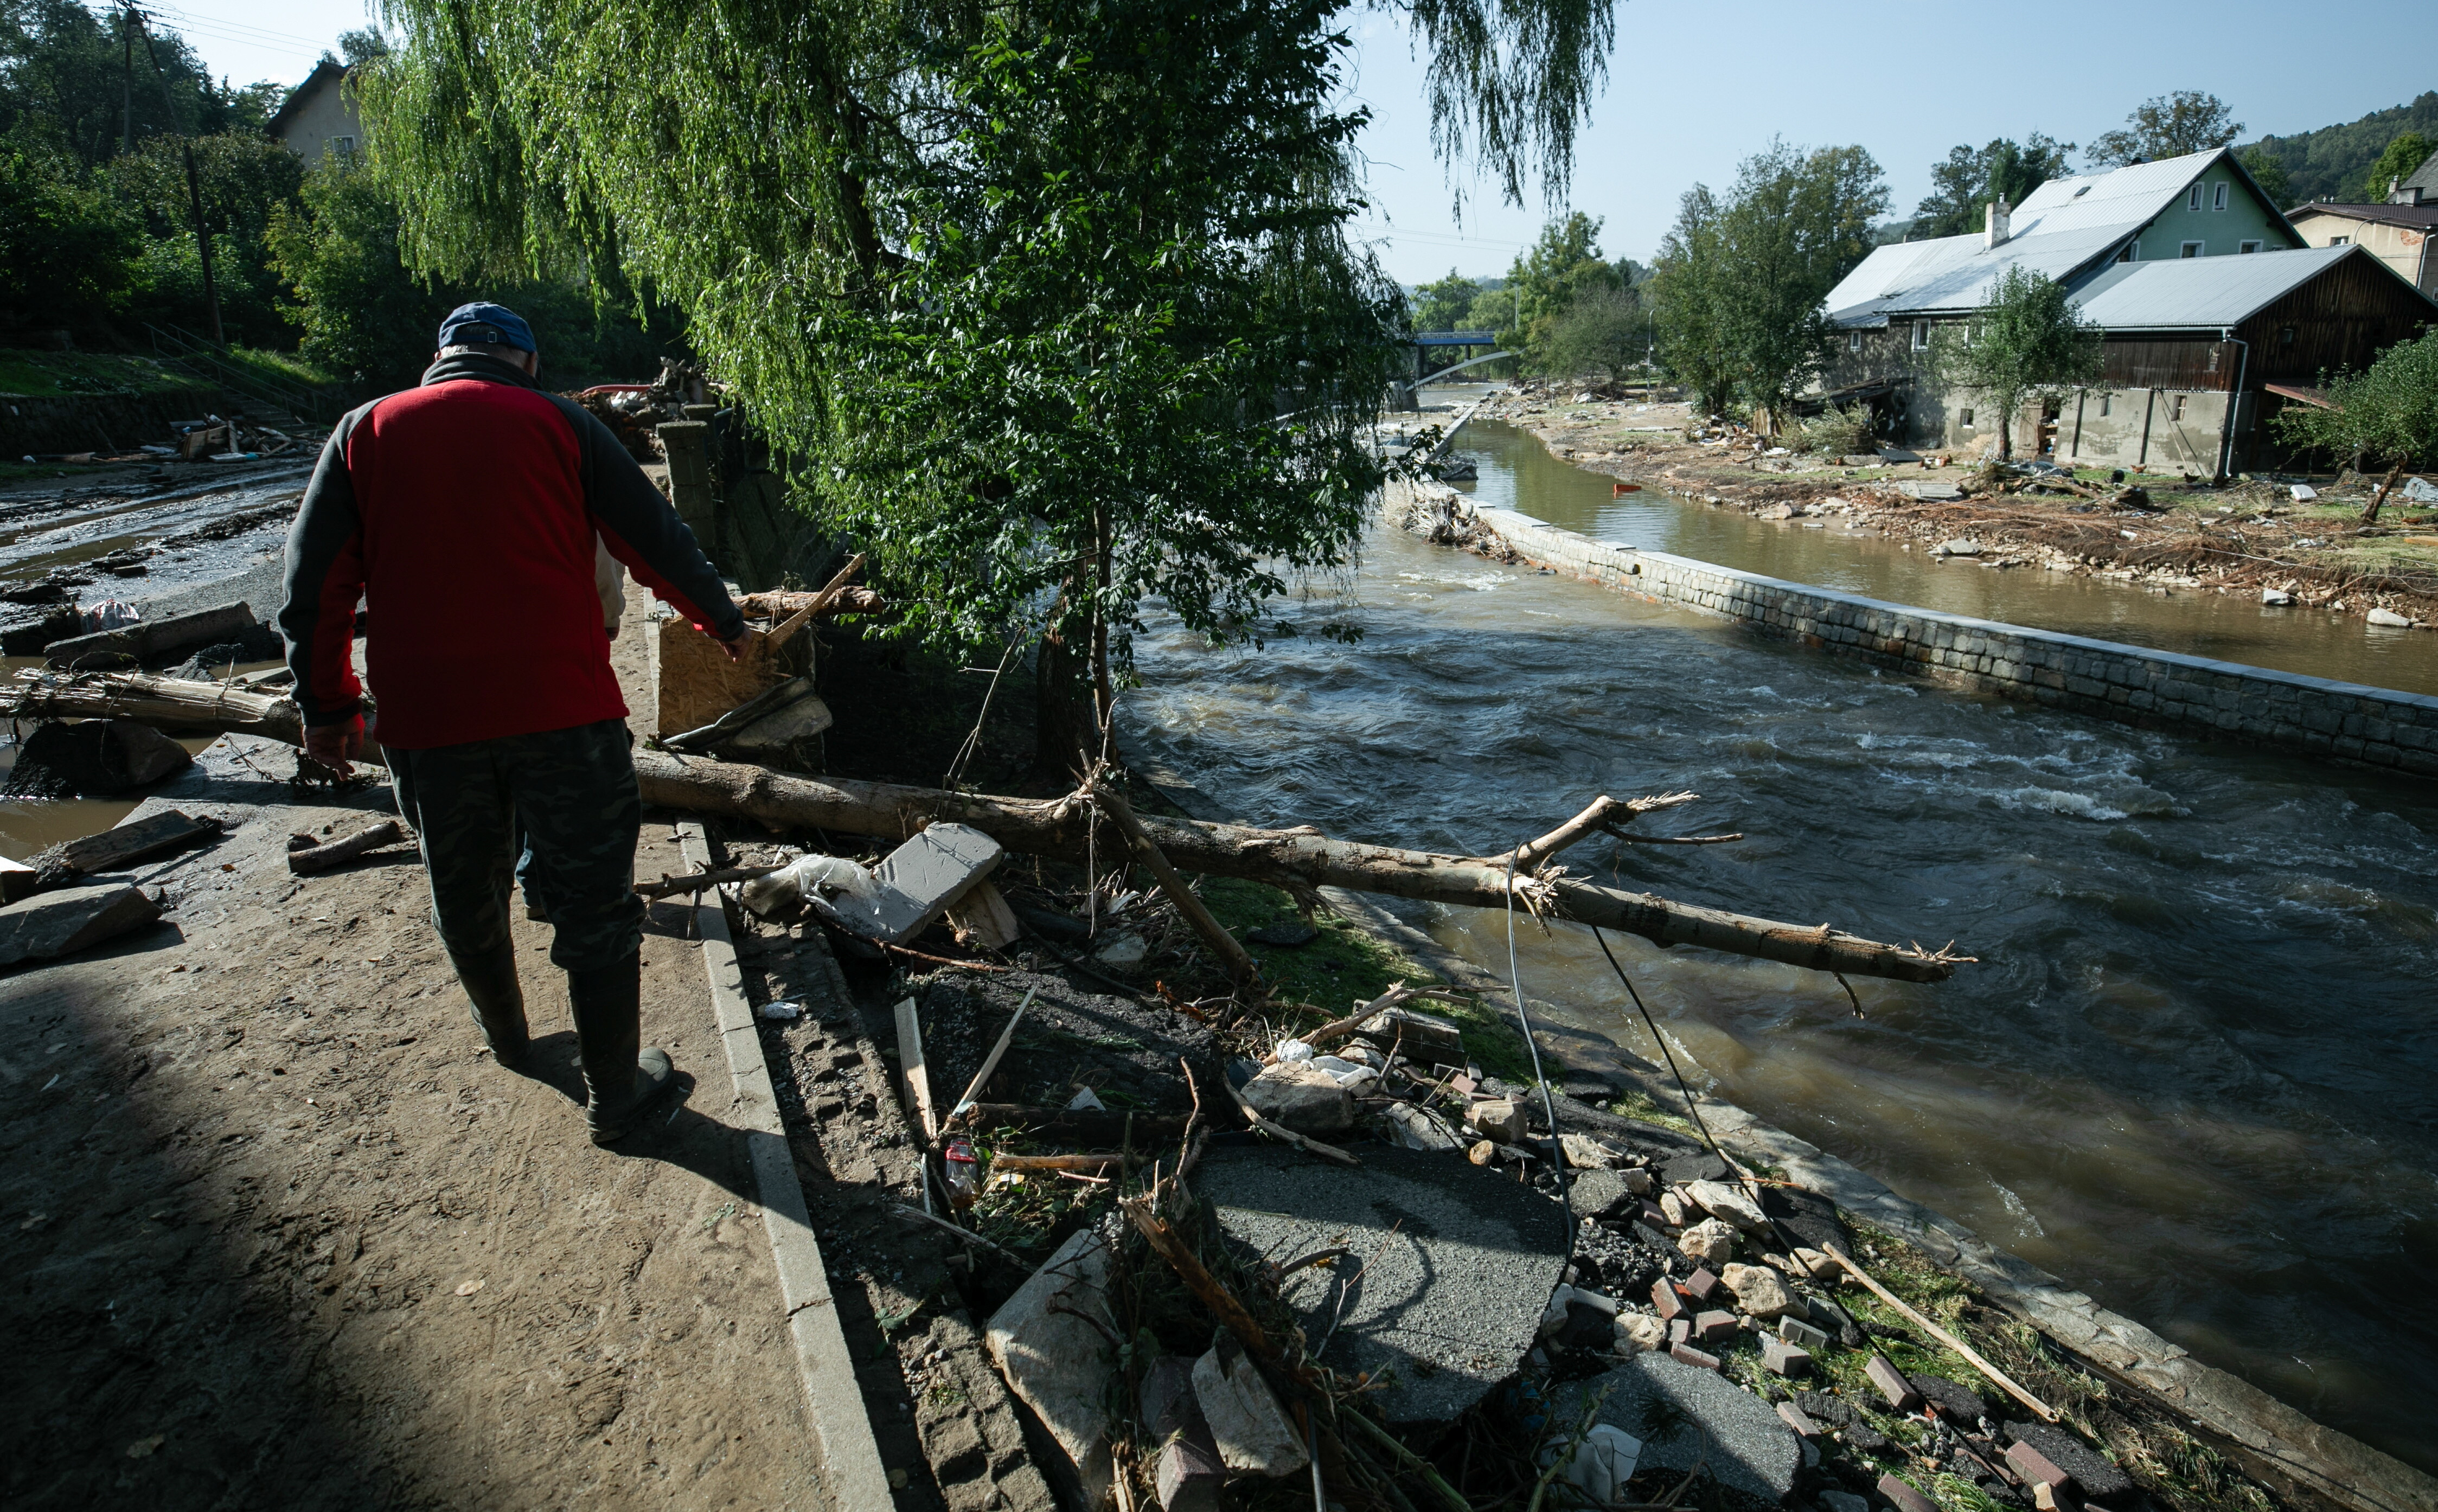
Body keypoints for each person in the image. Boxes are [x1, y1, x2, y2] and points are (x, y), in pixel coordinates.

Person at [279, 302, 754, 1144]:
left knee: (463, 885)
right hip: (562, 710)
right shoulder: (560, 423)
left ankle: (509, 1041)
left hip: (428, 722)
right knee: (594, 903)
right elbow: (655, 536)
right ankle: (617, 1094)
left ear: (443, 360)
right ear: (526, 362)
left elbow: (314, 589)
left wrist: (327, 710)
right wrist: (721, 620)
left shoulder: (364, 431)